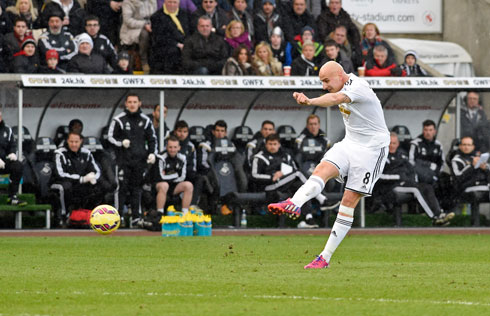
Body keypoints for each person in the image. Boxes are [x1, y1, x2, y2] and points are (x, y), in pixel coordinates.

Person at [268, 61, 390, 269]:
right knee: (321, 169)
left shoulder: (357, 86)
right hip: (350, 143)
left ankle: (324, 257)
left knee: (348, 199)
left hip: (372, 150)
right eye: (321, 82)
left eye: (326, 81)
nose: (324, 86)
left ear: (339, 75)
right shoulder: (340, 84)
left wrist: (309, 101)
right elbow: (332, 94)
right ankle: (295, 203)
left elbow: (335, 98)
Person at [373, 132, 454, 225]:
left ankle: (440, 213)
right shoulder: (381, 157)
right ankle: (434, 217)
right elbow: (378, 176)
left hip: (405, 184)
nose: (391, 145)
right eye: (389, 143)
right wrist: (398, 177)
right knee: (416, 189)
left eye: (394, 143)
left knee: (427, 187)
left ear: (398, 144)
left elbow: (411, 170)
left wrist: (412, 180)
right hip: (390, 187)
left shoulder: (402, 155)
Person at [252, 133, 327, 227]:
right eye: (270, 144)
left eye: (275, 144)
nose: (272, 146)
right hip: (269, 186)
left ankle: (309, 219)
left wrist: (283, 173)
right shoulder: (259, 157)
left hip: (286, 184)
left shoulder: (286, 156)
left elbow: (293, 168)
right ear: (266, 144)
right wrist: (272, 177)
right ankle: (321, 197)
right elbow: (254, 176)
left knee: (301, 187)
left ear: (279, 145)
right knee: (298, 173)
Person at [108, 94, 158, 225]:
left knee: (137, 189)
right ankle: (118, 217)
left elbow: (152, 138)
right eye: (130, 102)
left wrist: (152, 153)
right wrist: (121, 142)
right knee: (121, 188)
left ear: (140, 103)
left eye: (135, 102)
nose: (132, 104)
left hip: (139, 161)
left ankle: (136, 217)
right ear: (125, 104)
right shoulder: (118, 120)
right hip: (123, 161)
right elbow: (110, 138)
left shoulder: (146, 120)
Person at [52, 131, 102, 225]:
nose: (74, 144)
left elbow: (96, 171)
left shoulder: (86, 153)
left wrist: (93, 178)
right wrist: (81, 179)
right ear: (67, 141)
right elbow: (60, 174)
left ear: (81, 141)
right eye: (71, 141)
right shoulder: (59, 153)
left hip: (80, 183)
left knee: (99, 187)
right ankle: (63, 216)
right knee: (66, 187)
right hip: (60, 183)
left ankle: (91, 216)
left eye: (76, 142)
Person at [450, 136, 490, 216]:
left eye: (469, 145)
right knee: (475, 195)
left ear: (473, 147)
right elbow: (458, 178)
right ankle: (475, 225)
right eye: (464, 145)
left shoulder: (478, 157)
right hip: (466, 188)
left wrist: (485, 168)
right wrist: (472, 166)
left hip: (484, 185)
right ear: (460, 146)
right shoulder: (456, 160)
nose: (466, 147)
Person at [154, 136, 194, 215]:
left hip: (174, 186)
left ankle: (185, 214)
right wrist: (176, 175)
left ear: (179, 148)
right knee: (164, 185)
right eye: (170, 147)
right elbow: (160, 177)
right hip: (160, 185)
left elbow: (182, 177)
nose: (172, 150)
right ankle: (159, 214)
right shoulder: (161, 157)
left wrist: (169, 176)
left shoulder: (182, 158)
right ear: (166, 147)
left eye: (175, 147)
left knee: (189, 185)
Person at [150, 0, 191, 74]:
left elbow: (189, 32)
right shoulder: (156, 17)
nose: (172, 5)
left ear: (178, 3)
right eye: (170, 2)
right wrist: (177, 44)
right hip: (167, 46)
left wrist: (188, 44)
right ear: (165, 2)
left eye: (174, 2)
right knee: (174, 52)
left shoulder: (184, 14)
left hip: (185, 44)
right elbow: (159, 38)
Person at [120, 0, 156, 74]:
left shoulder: (152, 1)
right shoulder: (127, 2)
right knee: (144, 34)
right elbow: (128, 21)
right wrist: (144, 24)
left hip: (150, 25)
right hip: (132, 29)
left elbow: (155, 16)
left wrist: (152, 24)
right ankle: (144, 60)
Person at [0, 111, 26, 206]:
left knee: (17, 166)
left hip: (2, 162)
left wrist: (12, 153)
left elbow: (12, 144)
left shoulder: (7, 129)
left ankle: (12, 196)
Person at [409, 120, 444, 186]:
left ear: (434, 131)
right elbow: (411, 162)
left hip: (434, 174)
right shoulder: (415, 143)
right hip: (420, 174)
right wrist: (426, 169)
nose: (428, 132)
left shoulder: (438, 145)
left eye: (430, 130)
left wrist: (437, 172)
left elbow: (442, 162)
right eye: (426, 130)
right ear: (423, 131)